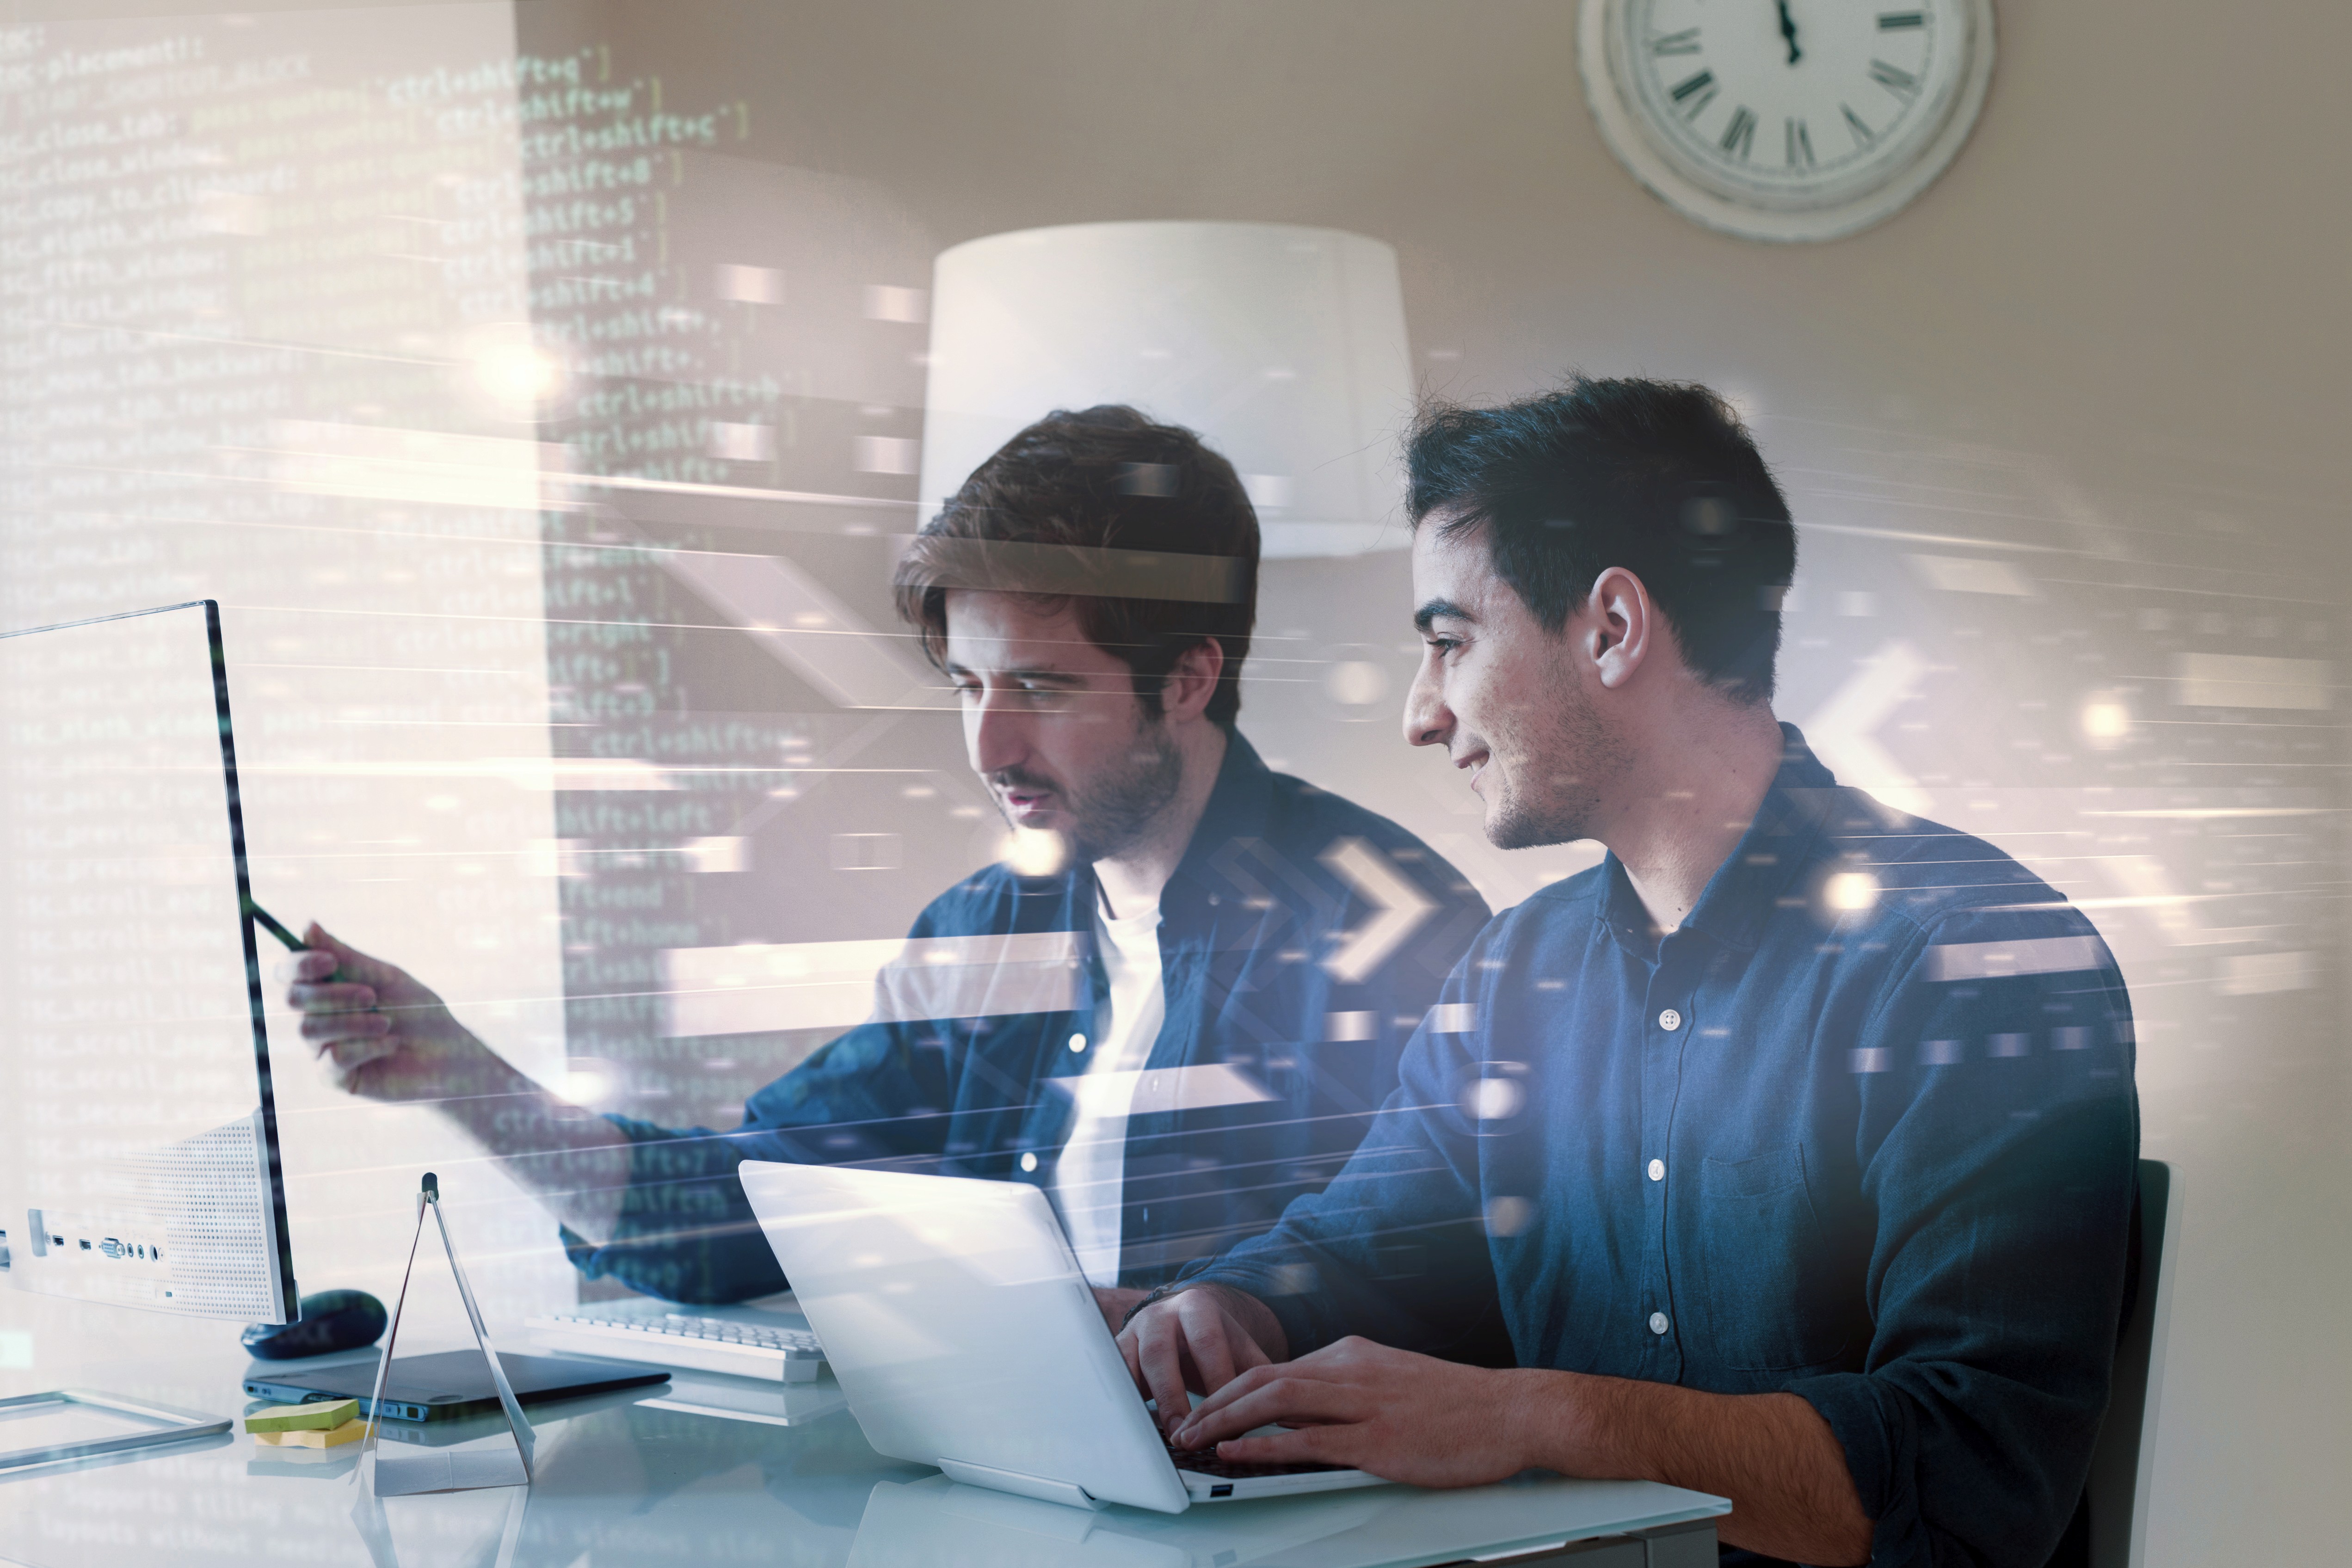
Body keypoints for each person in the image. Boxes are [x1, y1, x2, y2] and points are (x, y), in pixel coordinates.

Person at [1117, 378, 2139, 1568]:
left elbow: (1970, 1479)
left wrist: (1534, 1418)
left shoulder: (1975, 964)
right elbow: (1366, 1247)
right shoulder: (1516, 969)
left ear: (1610, 628)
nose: (1421, 713)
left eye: (1448, 641)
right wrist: (1226, 1305)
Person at [284, 405, 1488, 1315]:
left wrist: (1223, 1321)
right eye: (966, 685)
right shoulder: (980, 935)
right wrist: (467, 1081)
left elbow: (1448, 1275)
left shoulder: (1379, 923)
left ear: (1186, 678)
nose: (988, 744)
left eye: (1037, 688)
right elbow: (746, 1207)